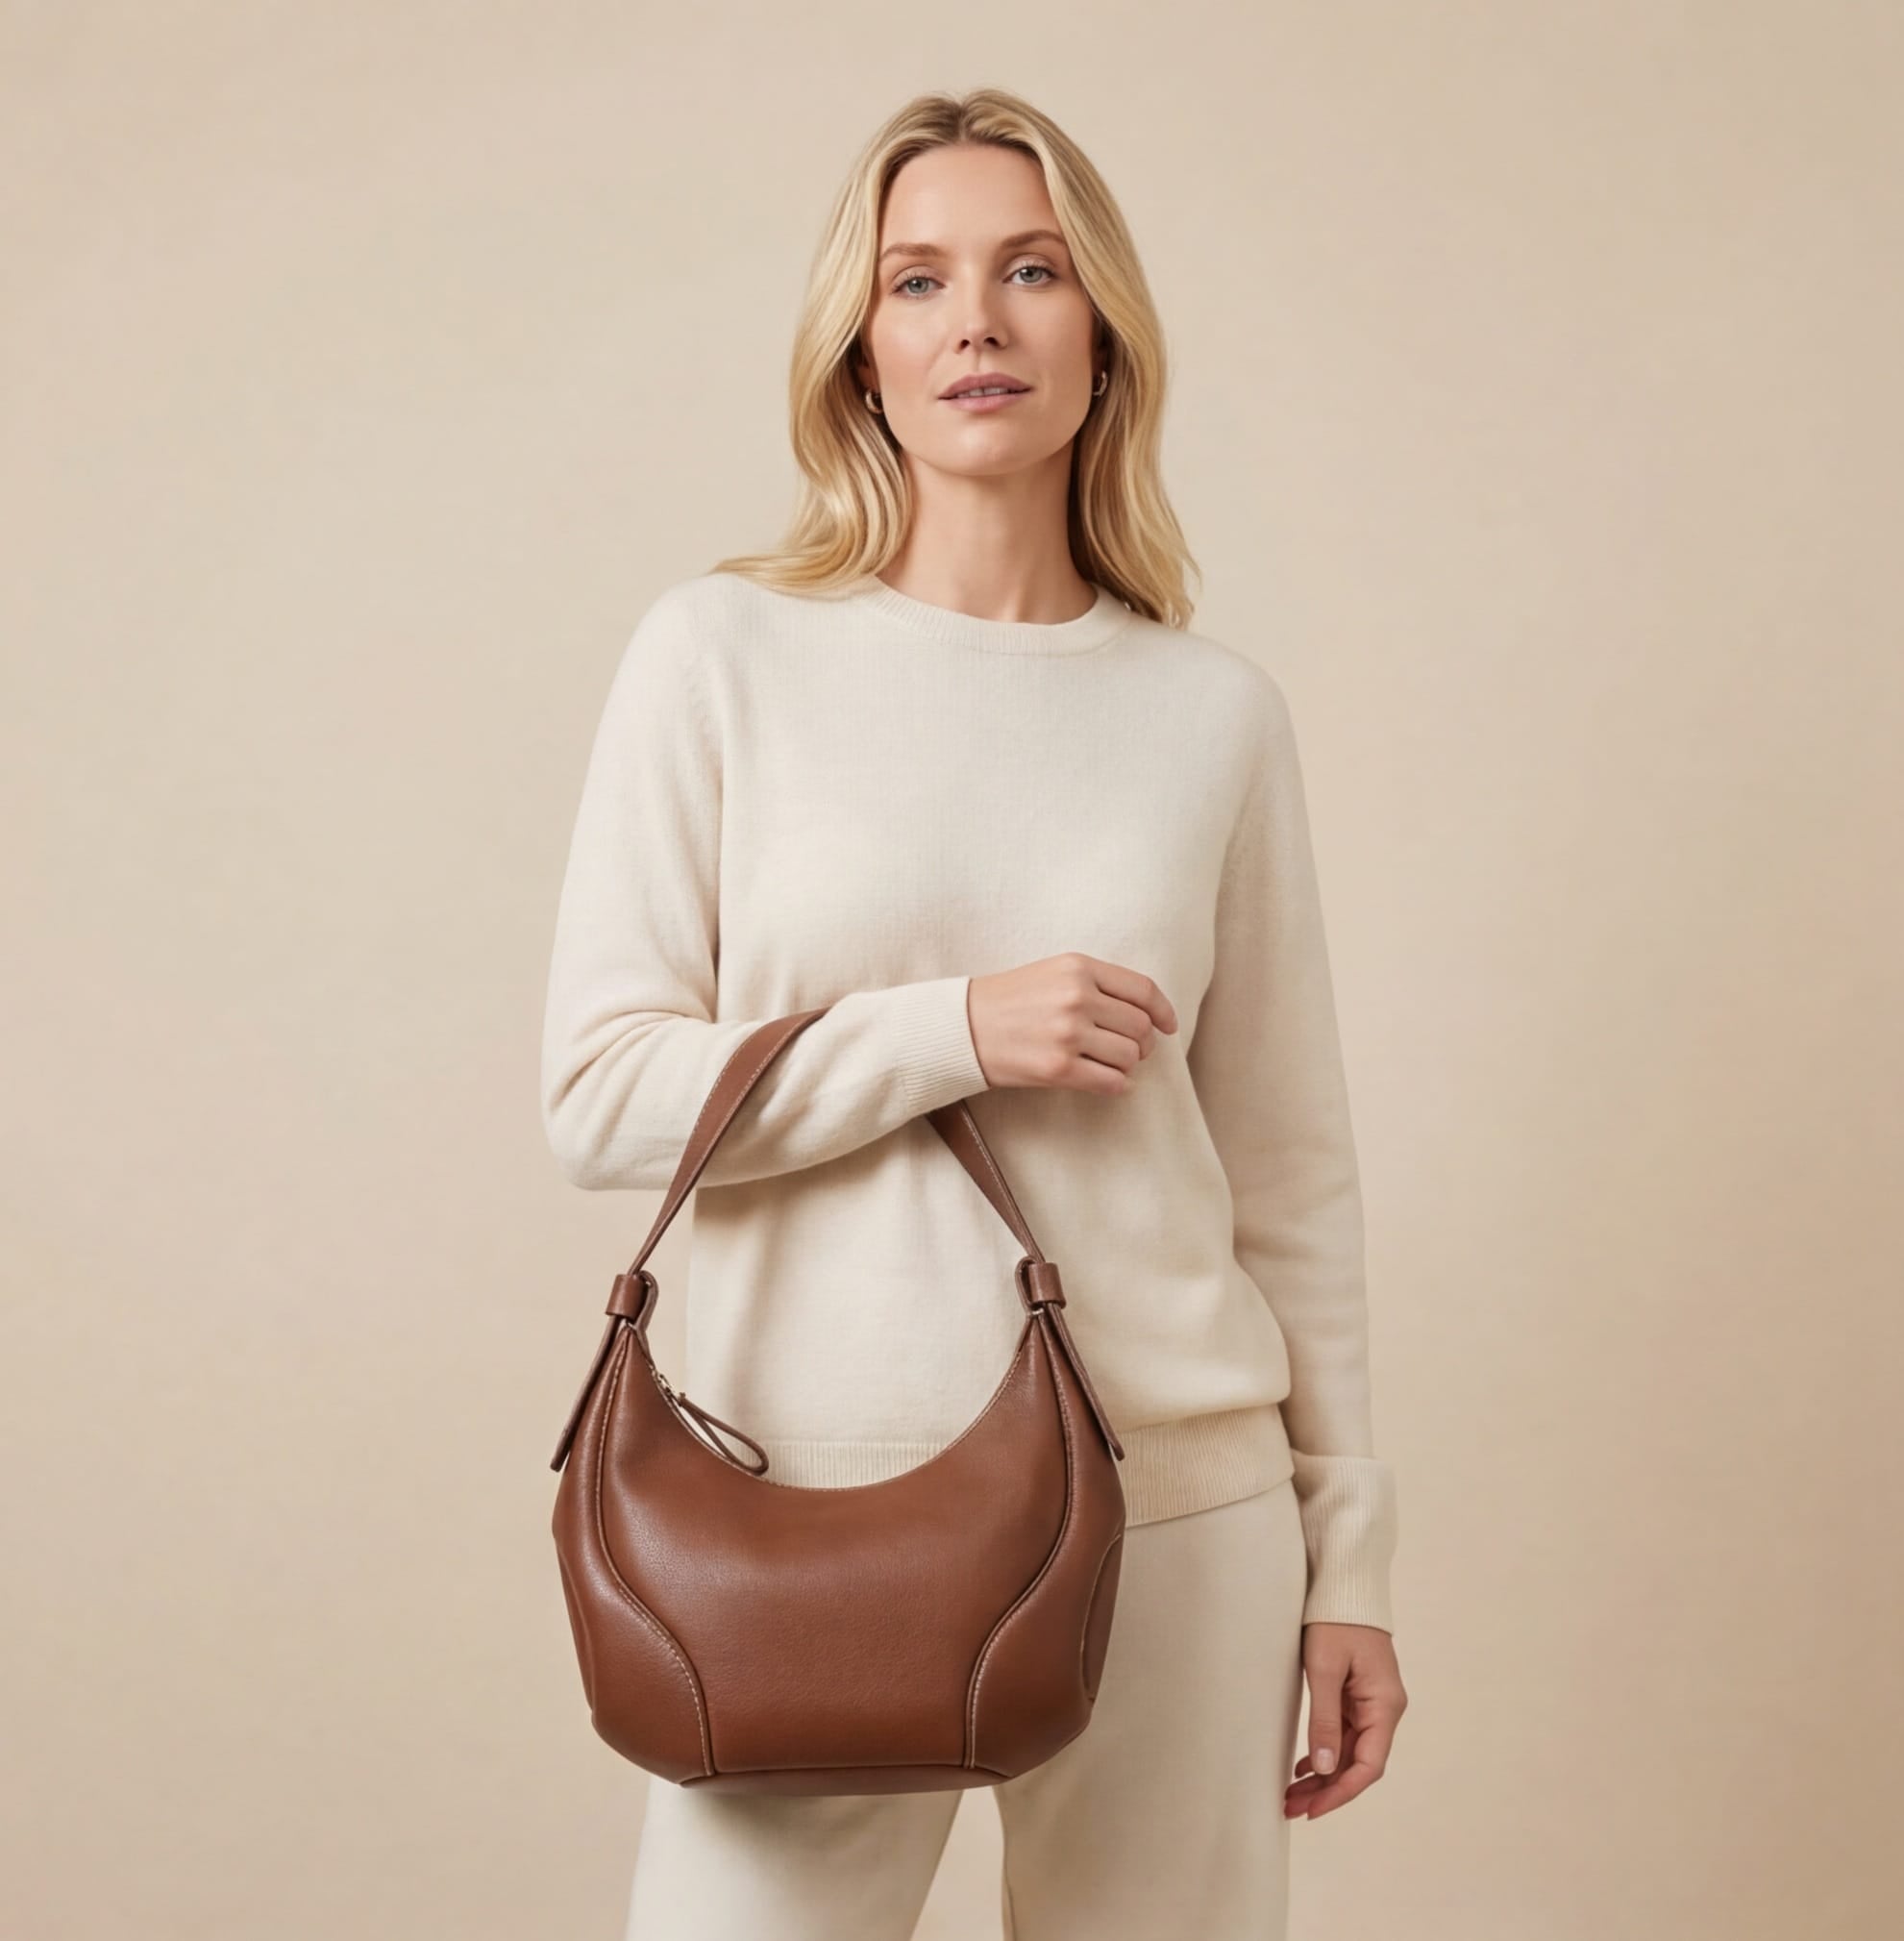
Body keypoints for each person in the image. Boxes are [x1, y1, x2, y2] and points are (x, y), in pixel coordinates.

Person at [540, 85, 1408, 1941]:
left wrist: (1349, 1566)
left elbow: (1287, 1174)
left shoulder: (1210, 714)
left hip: (1179, 1521)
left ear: (1102, 331)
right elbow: (601, 1098)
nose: (976, 322)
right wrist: (950, 1029)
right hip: (800, 1517)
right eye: (916, 279)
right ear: (861, 352)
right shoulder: (721, 657)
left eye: (1029, 271)